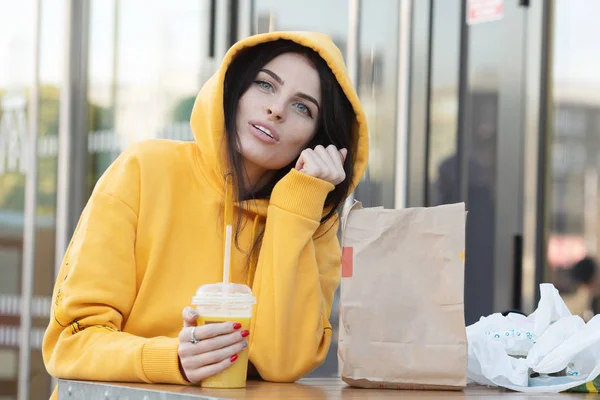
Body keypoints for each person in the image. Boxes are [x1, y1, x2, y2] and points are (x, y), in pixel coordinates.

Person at [42, 31, 369, 392]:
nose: (276, 109)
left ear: (317, 137)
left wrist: (294, 208)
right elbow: (70, 344)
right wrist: (173, 359)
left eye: (302, 107)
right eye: (264, 85)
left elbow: (281, 364)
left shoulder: (312, 219)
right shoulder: (144, 170)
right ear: (234, 89)